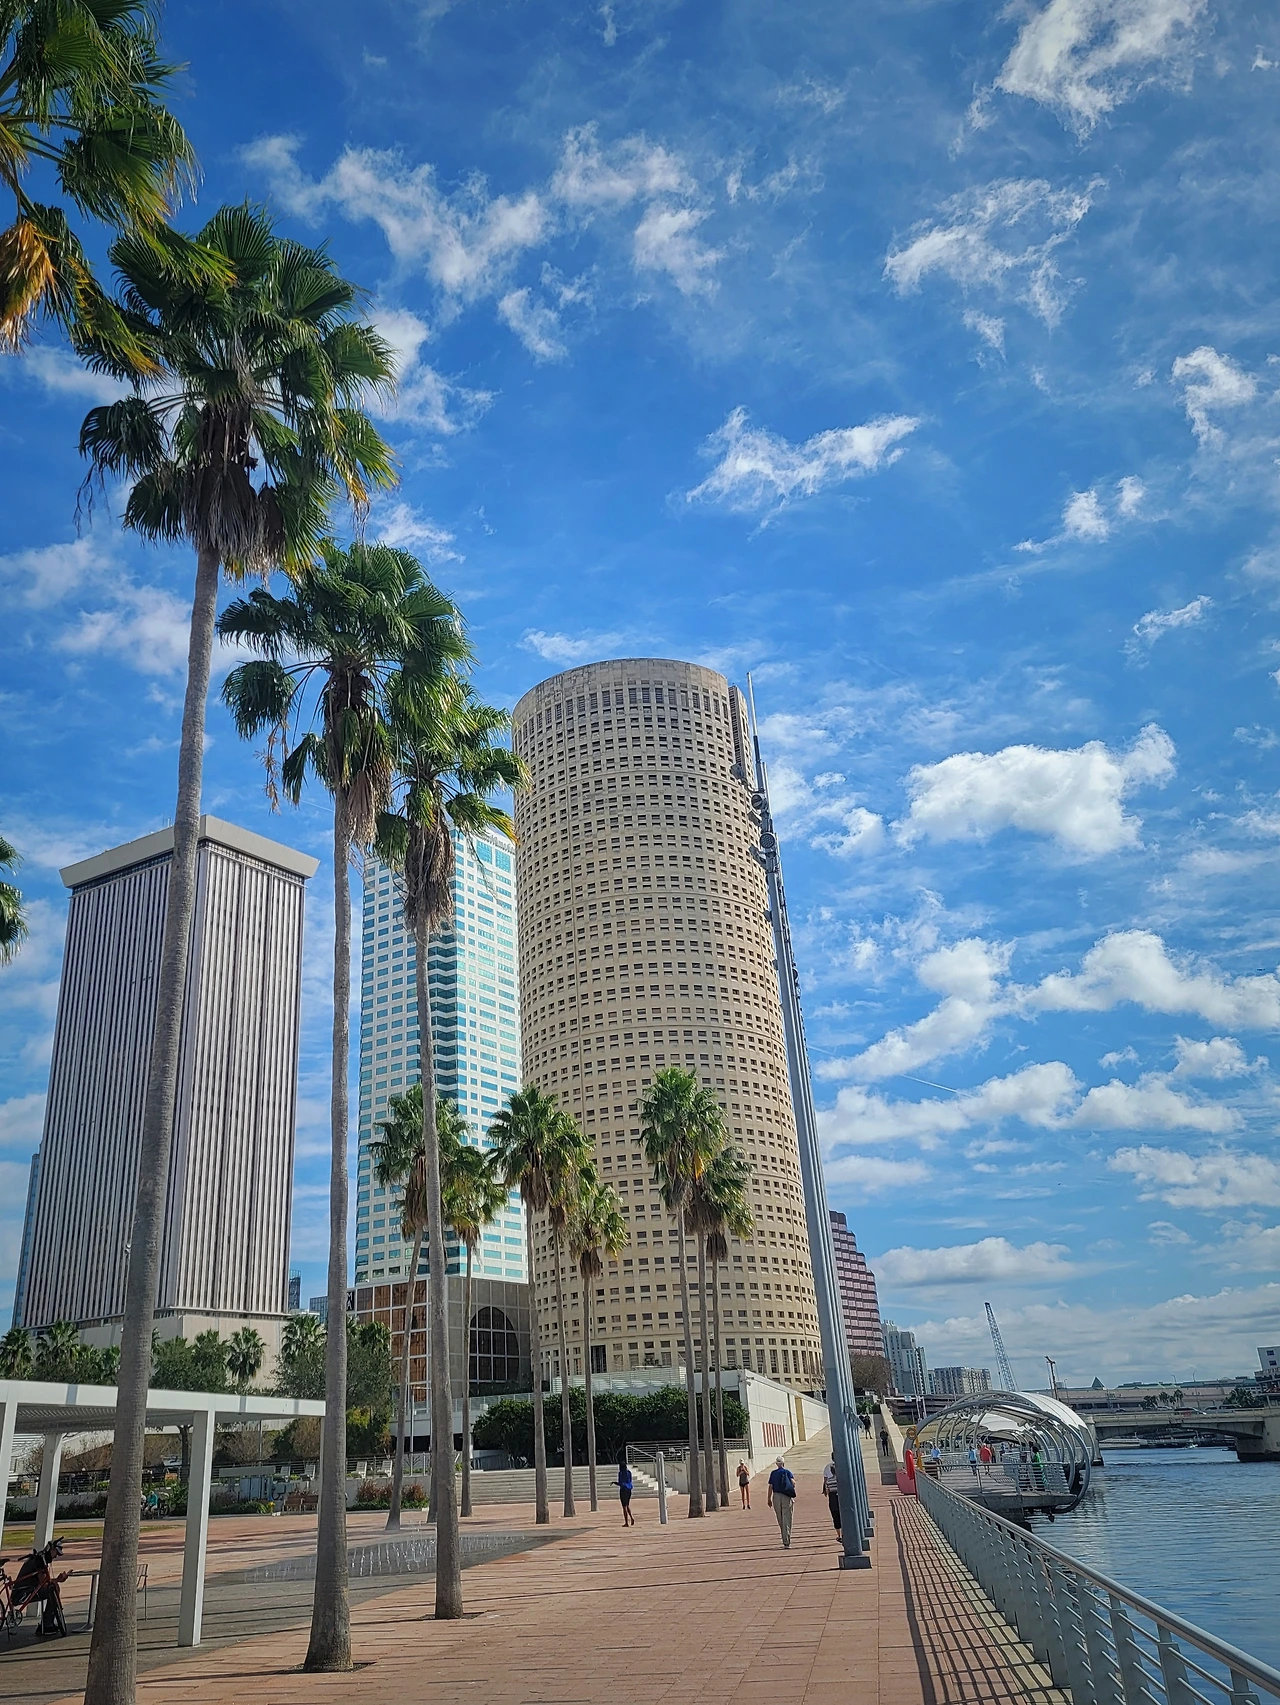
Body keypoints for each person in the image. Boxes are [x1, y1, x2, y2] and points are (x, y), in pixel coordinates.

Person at [12, 1539, 69, 1636]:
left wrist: (56, 1580)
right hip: (24, 1592)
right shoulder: (40, 1560)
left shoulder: (40, 1558)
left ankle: (47, 1622)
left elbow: (44, 1581)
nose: (56, 1556)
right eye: (56, 1553)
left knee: (53, 1587)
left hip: (27, 1589)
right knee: (53, 1589)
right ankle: (47, 1624)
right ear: (51, 1549)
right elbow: (44, 1582)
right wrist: (58, 1580)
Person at [766, 1456, 796, 1549]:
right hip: (786, 1496)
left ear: (776, 1464)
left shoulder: (773, 1473)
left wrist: (769, 1499)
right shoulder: (787, 1472)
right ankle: (787, 1541)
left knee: (780, 1518)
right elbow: (793, 1483)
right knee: (787, 1517)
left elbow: (770, 1486)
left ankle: (784, 1537)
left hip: (776, 1496)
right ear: (783, 1463)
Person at [821, 1455, 840, 1540]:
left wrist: (825, 1491)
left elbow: (825, 1481)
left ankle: (839, 1535)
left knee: (835, 1515)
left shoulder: (827, 1467)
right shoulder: (842, 1466)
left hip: (832, 1496)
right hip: (841, 1495)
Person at [616, 1456, 635, 1527]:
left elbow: (620, 1482)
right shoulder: (629, 1472)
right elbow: (630, 1480)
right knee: (627, 1505)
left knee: (624, 1506)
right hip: (629, 1489)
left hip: (623, 1489)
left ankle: (626, 1522)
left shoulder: (620, 1473)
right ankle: (631, 1518)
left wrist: (615, 1483)